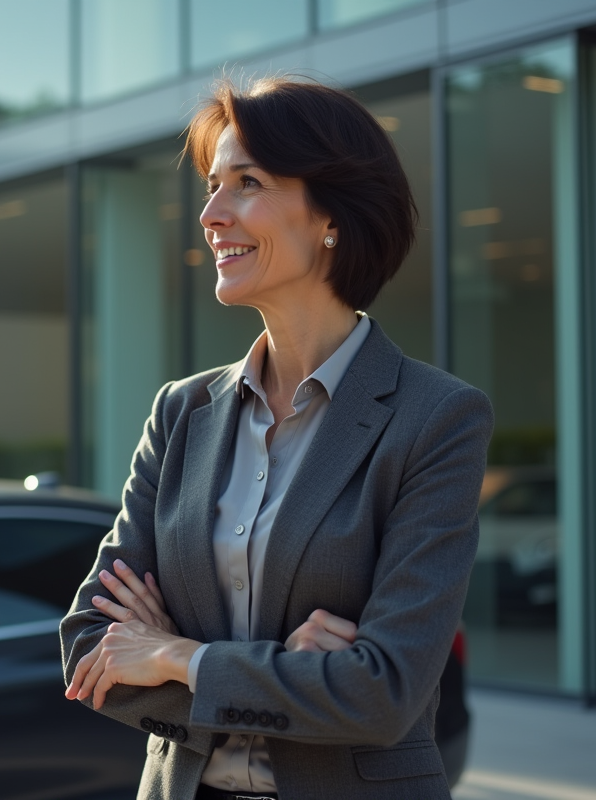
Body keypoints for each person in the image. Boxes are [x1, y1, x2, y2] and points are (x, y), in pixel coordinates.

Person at [60, 77, 493, 800]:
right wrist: (285, 675)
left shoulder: (436, 418)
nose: (210, 213)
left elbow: (383, 694)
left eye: (246, 183)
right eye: (210, 185)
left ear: (333, 215)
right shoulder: (181, 413)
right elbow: (86, 650)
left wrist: (176, 656)